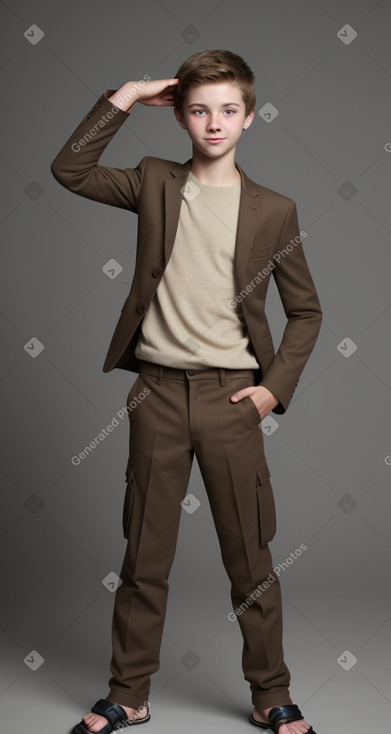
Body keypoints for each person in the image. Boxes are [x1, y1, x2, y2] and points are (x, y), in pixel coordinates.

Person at [51, 49, 321, 734]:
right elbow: (69, 169)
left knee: (251, 558)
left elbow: (306, 311)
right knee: (143, 554)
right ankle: (128, 693)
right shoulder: (154, 182)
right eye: (198, 109)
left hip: (233, 400)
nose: (213, 122)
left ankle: (271, 696)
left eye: (228, 110)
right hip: (157, 397)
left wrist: (271, 391)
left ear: (249, 118)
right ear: (178, 115)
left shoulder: (275, 210)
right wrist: (129, 93)